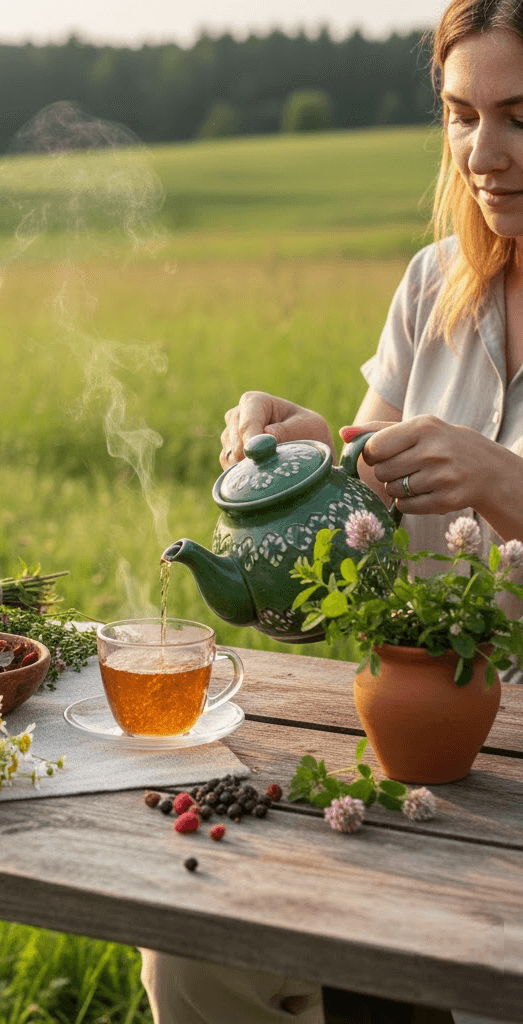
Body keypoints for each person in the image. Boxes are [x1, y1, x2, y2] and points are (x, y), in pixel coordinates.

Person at [142, 1, 523, 1022]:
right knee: (189, 958)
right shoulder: (434, 285)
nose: (484, 153)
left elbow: (482, 480)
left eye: (520, 117)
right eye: (461, 114)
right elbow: (364, 505)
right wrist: (313, 455)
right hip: (408, 750)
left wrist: (500, 480)